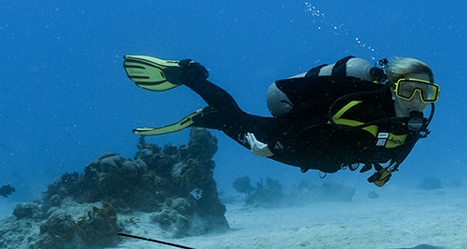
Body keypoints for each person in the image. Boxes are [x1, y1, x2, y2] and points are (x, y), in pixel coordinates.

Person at [123, 54, 438, 186]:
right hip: (294, 136)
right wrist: (275, 148)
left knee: (240, 124)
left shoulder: (411, 125)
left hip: (322, 156)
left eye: (427, 94)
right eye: (410, 90)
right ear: (393, 88)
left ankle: (210, 117)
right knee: (236, 119)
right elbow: (316, 127)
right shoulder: (362, 104)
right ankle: (188, 74)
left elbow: (388, 151)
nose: (418, 102)